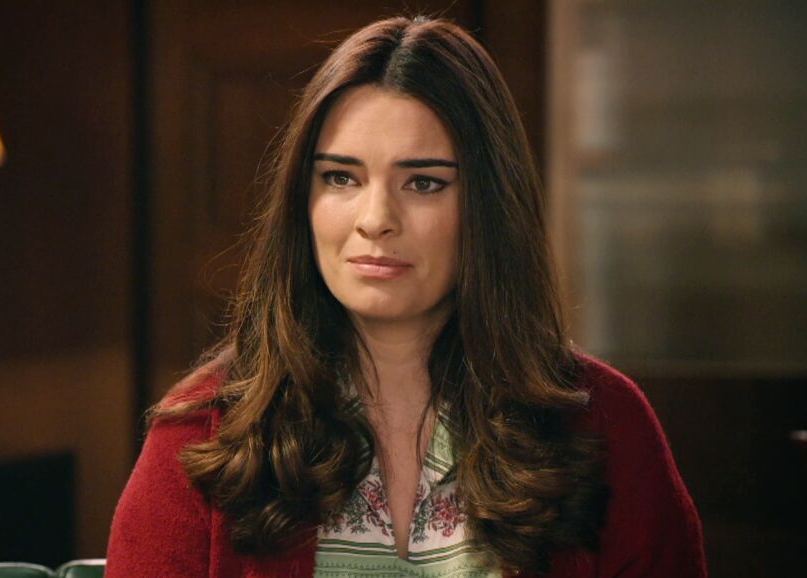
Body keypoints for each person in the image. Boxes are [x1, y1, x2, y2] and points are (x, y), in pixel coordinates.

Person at [105, 16, 706, 578]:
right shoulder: (202, 431)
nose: (375, 219)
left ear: (488, 206)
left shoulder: (604, 422)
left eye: (422, 182)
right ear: (302, 200)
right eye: (341, 177)